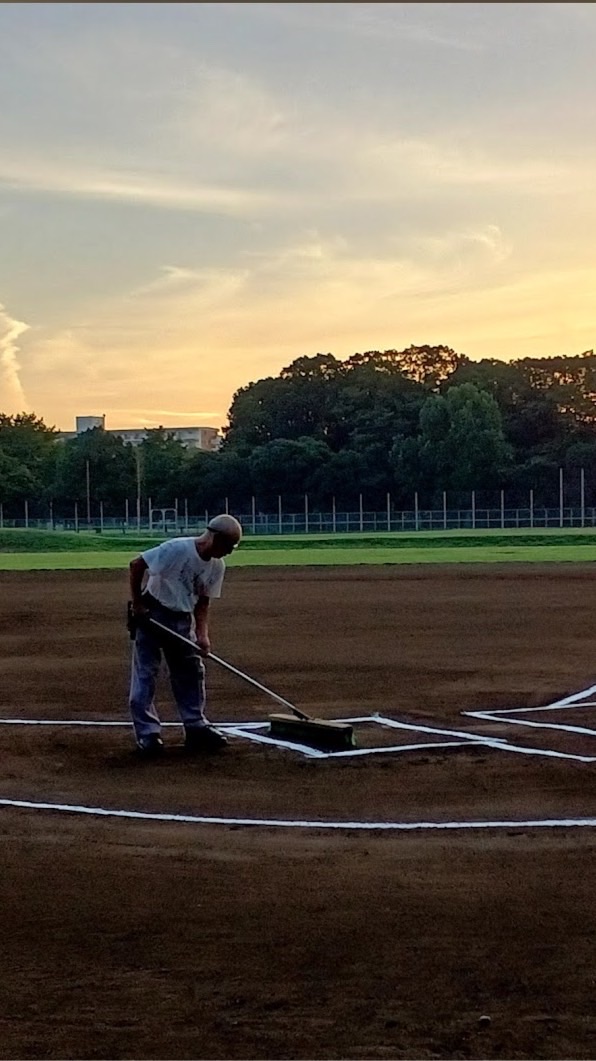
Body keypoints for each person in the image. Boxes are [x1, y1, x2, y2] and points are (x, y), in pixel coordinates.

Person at [127, 513, 243, 757]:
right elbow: (136, 564)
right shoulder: (176, 549)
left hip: (181, 619)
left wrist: (202, 635)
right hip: (152, 613)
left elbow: (203, 603)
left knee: (191, 671)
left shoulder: (216, 566)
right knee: (146, 673)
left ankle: (195, 726)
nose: (230, 552)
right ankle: (148, 734)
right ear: (214, 537)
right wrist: (137, 604)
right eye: (228, 546)